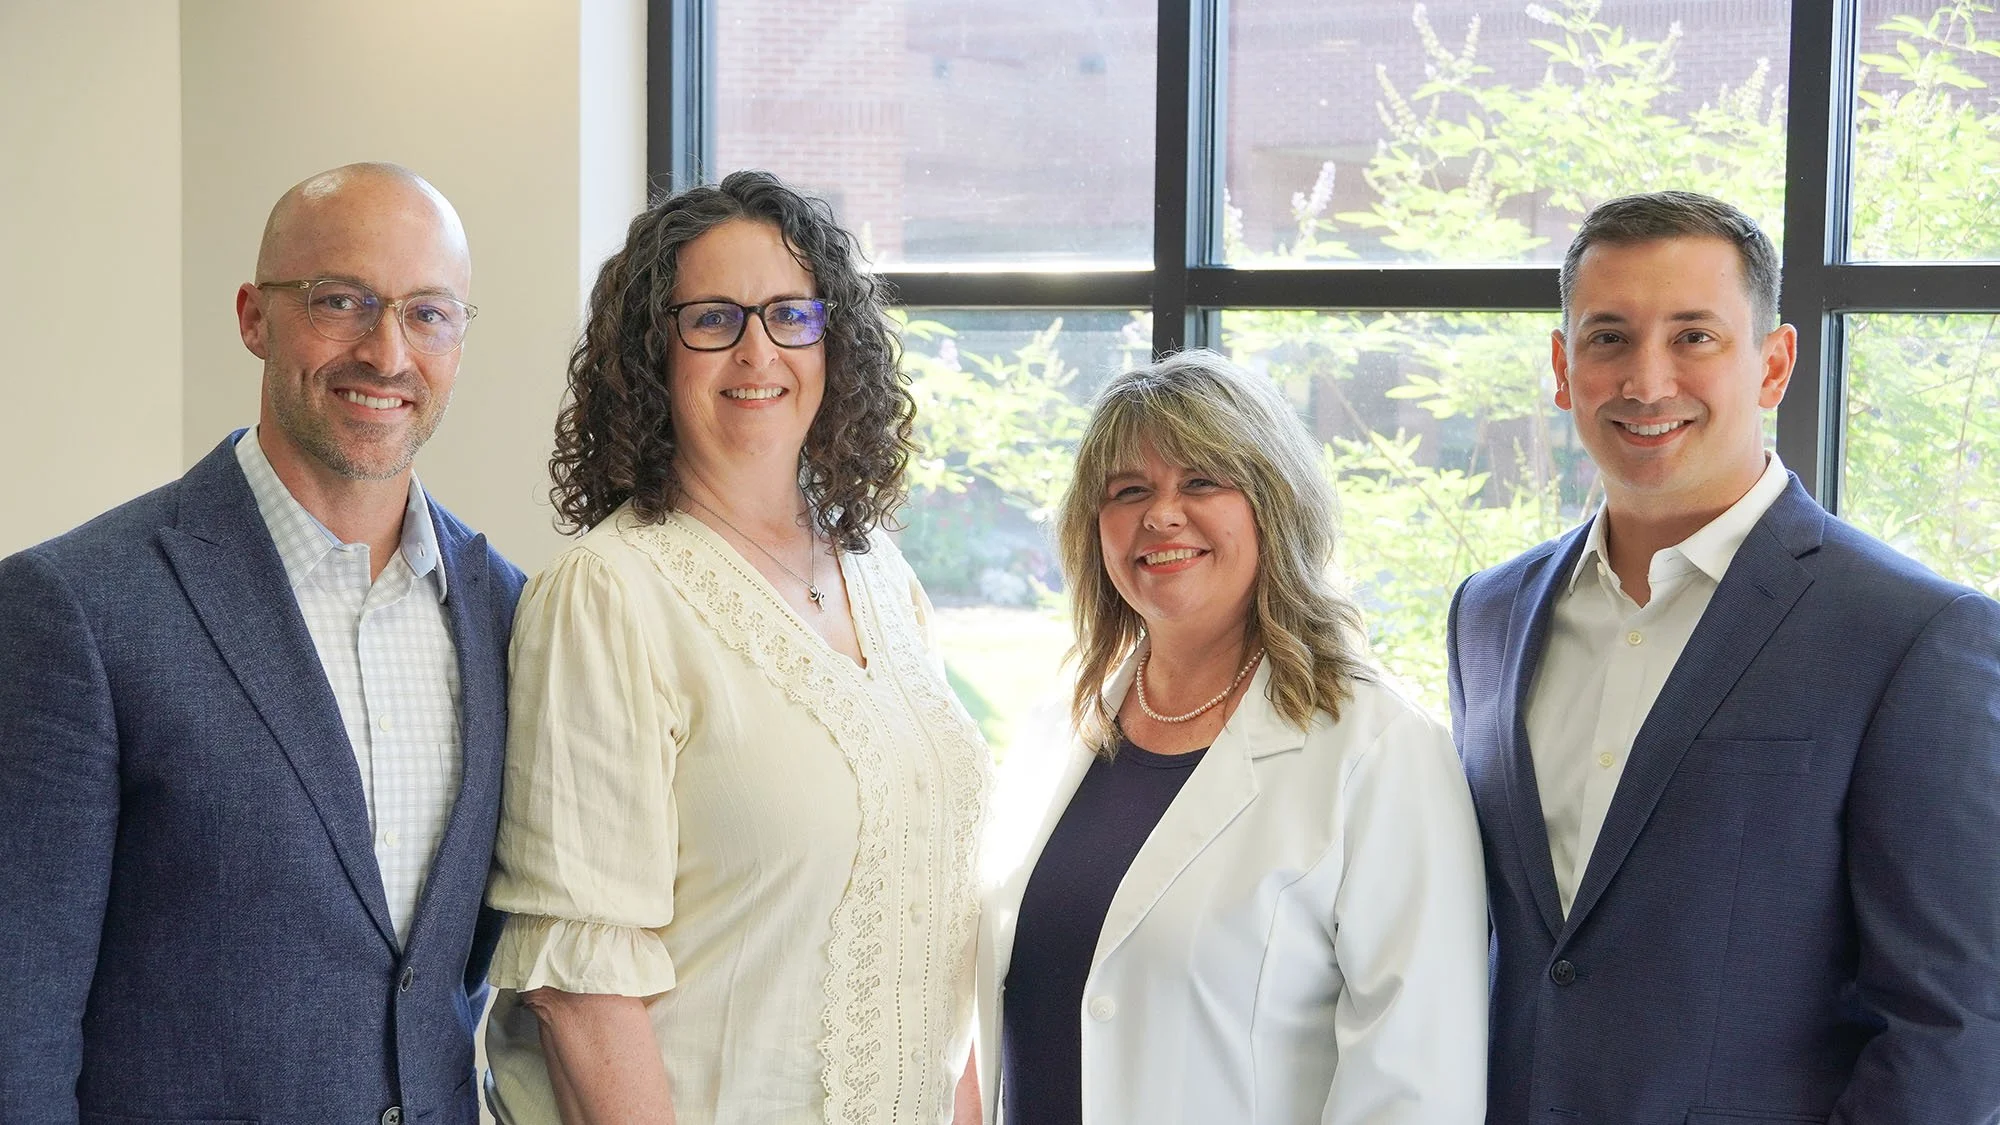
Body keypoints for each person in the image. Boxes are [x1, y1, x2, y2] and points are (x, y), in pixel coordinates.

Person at [1449, 190, 2000, 1123]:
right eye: (1609, 337)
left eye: (1695, 336)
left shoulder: (1915, 635)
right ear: (1562, 365)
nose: (1648, 381)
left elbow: (1957, 1027)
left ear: (1774, 364)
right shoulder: (1488, 615)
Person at [0, 162, 524, 1123]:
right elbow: (17, 1029)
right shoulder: (75, 608)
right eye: (341, 301)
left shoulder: (506, 609)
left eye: (428, 314)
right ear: (253, 317)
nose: (386, 351)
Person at [483, 170, 992, 1125]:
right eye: (712, 318)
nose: (758, 350)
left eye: (789, 315)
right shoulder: (610, 596)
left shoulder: (882, 575)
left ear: (830, 339)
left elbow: (934, 933)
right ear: (651, 357)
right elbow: (580, 990)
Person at [975, 350, 1488, 1124]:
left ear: (1274, 503)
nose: (1161, 514)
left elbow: (1418, 1083)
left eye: (1202, 481)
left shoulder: (1378, 747)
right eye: (1129, 491)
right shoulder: (1059, 733)